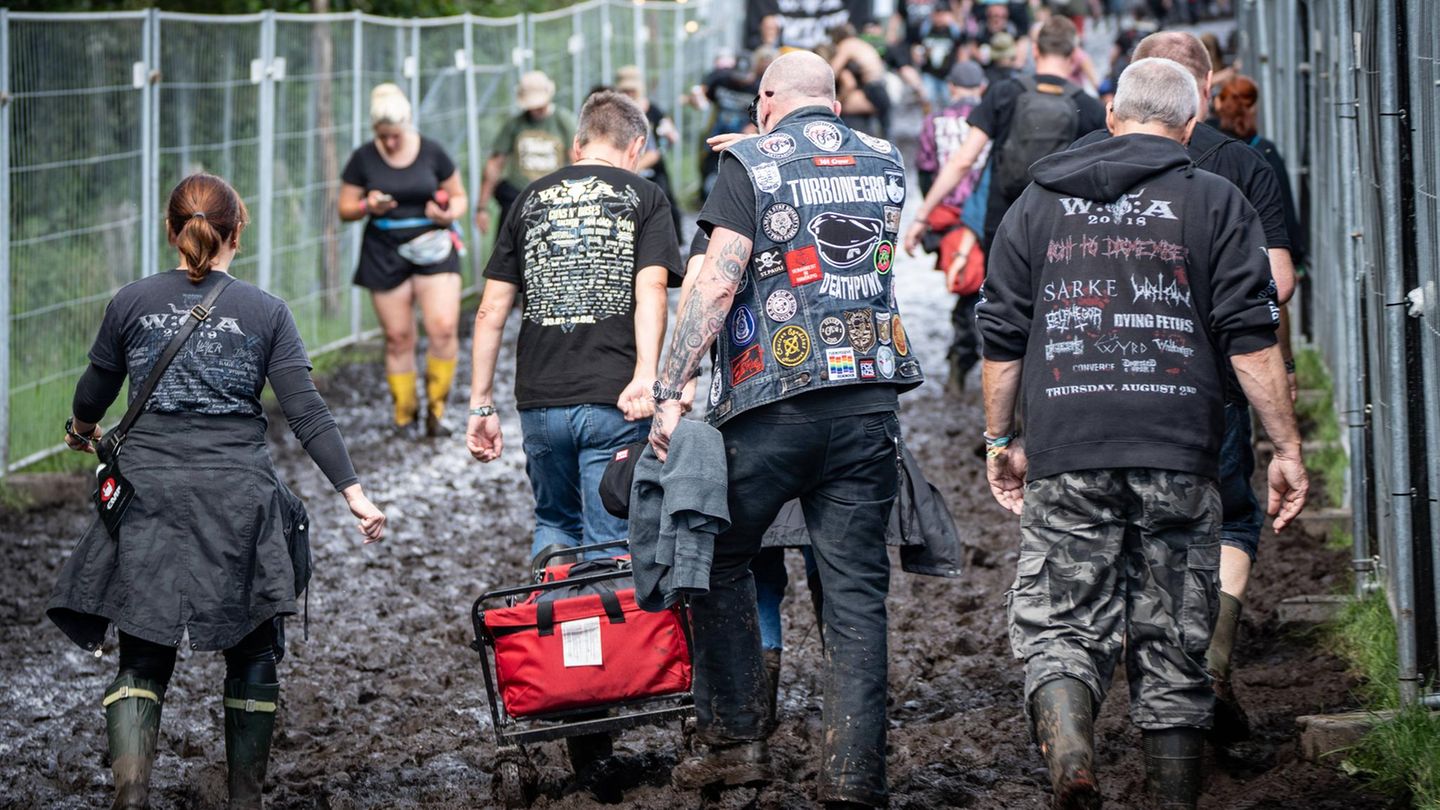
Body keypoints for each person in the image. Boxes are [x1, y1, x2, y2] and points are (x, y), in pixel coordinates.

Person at [976, 58, 1308, 809]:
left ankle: (1070, 754)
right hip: (1179, 448)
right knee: (1175, 639)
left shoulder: (1037, 202)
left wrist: (1002, 441)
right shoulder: (1216, 199)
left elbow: (1001, 336)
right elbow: (1251, 339)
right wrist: (1284, 447)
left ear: (1111, 115)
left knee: (1061, 620)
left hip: (1069, 444)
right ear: (1191, 127)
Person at [49, 173, 387, 810]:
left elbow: (94, 392)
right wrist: (354, 492)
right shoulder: (266, 311)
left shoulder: (130, 301)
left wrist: (83, 431)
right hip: (238, 493)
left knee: (143, 651)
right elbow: (307, 413)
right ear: (238, 231)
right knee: (253, 646)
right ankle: (244, 800)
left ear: (172, 231)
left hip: (145, 490)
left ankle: (131, 792)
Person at [650, 50, 923, 807]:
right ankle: (852, 780)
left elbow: (716, 280)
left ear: (766, 98)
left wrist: (670, 387)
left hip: (772, 402)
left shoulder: (750, 162)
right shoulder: (885, 157)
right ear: (832, 100)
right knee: (856, 595)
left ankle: (737, 740)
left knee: (715, 554)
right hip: (868, 403)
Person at [1069, 32, 1300, 745]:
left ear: (1123, 100)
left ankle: (1092, 699)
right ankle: (1208, 667)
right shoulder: (1242, 162)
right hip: (1209, 377)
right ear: (1199, 99)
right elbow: (1279, 281)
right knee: (1225, 519)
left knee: (1107, 530)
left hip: (1095, 374)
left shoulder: (1084, 159)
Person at [467, 91, 681, 565]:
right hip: (614, 399)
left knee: (554, 523)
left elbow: (490, 311)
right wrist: (646, 374)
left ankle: (556, 628)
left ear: (576, 145)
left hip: (539, 403)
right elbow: (652, 290)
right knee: (609, 539)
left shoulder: (528, 198)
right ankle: (603, 635)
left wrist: (480, 403)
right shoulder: (645, 197)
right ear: (637, 147)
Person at [905, 16, 1106, 261]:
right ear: (1074, 55)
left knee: (999, 295)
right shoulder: (1089, 108)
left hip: (1003, 222)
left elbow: (963, 160)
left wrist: (922, 216)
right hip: (1059, 226)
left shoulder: (1003, 93)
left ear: (1034, 50)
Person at [339, 83, 467, 436]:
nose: (389, 143)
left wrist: (446, 214)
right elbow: (345, 208)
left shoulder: (432, 152)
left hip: (433, 246)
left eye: (394, 136)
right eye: (383, 137)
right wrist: (368, 206)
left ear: (408, 124)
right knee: (398, 336)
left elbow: (459, 198)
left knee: (442, 326)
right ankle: (404, 415)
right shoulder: (363, 158)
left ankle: (436, 412)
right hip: (384, 250)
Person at [916, 60, 991, 394]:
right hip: (988, 218)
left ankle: (960, 362)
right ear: (982, 87)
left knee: (965, 288)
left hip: (949, 219)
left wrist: (928, 215)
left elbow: (925, 169)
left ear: (950, 87)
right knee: (988, 289)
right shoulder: (994, 118)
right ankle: (971, 360)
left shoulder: (934, 121)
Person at [1214, 75, 1306, 270]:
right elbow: (1285, 211)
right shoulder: (1264, 152)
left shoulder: (1207, 147)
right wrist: (1295, 258)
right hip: (1259, 261)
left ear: (1220, 104)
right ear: (1253, 108)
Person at [474, 71, 576, 234]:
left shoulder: (563, 122)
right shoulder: (515, 124)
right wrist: (481, 207)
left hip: (555, 199)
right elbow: (495, 163)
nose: (536, 110)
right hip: (519, 196)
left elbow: (577, 160)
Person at [617, 67, 685, 243]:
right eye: (626, 90)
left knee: (666, 202)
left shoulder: (653, 111)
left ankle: (676, 242)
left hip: (652, 168)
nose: (630, 93)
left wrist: (669, 137)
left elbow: (667, 139)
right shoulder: (617, 113)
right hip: (626, 167)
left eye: (632, 90)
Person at [828, 23, 895, 137]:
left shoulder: (846, 45)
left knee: (884, 123)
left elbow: (833, 70)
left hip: (873, 85)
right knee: (884, 119)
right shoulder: (859, 43)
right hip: (879, 83)